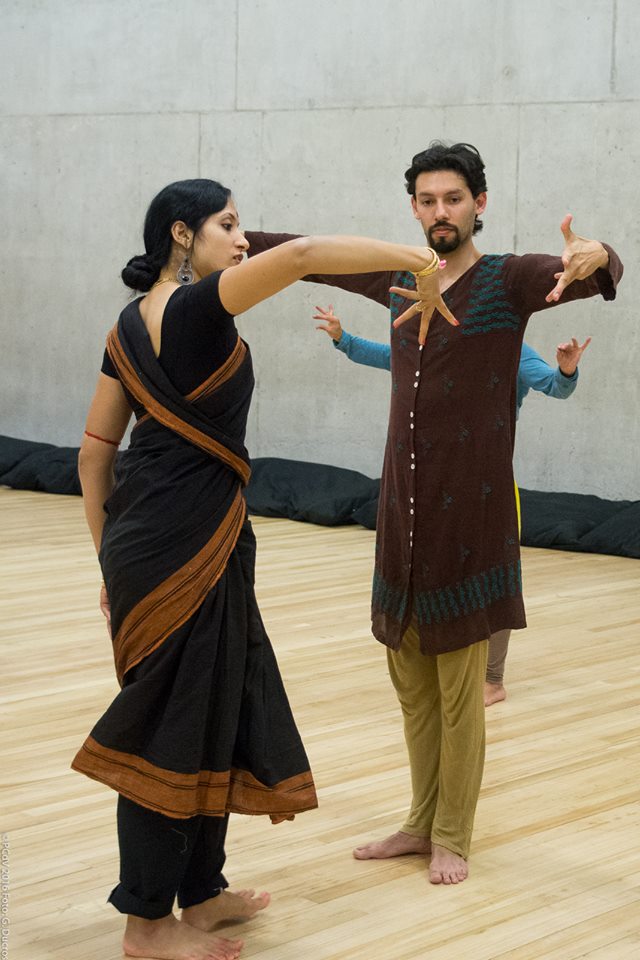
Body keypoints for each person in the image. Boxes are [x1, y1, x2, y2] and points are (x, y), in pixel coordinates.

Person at [71, 177, 456, 960]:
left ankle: (201, 893)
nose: (244, 239)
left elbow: (94, 453)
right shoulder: (196, 309)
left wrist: (110, 560)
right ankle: (145, 924)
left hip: (153, 540)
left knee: (213, 705)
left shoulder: (127, 326)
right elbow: (305, 254)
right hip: (182, 543)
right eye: (229, 223)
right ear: (182, 235)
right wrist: (418, 259)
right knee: (169, 726)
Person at [243, 140, 622, 886]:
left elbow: (599, 270)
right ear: (413, 208)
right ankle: (419, 822)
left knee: (459, 695)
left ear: (479, 203)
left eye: (453, 198)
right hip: (402, 518)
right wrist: (229, 244)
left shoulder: (508, 280)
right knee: (412, 689)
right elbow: (307, 257)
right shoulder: (398, 277)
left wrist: (597, 254)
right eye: (427, 200)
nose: (440, 211)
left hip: (469, 522)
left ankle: (453, 833)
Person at [313, 306, 592, 706]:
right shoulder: (434, 347)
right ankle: (443, 657)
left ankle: (492, 679)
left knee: (495, 578)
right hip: (438, 486)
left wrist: (566, 370)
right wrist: (343, 338)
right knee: (439, 570)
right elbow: (387, 356)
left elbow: (555, 386)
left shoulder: (514, 350)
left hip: (490, 488)